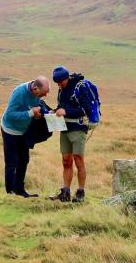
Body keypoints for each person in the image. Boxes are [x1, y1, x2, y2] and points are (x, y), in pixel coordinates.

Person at [0, 76, 50, 197]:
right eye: (42, 94)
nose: (43, 96)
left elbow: (38, 106)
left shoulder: (36, 93)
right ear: (34, 88)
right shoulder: (19, 92)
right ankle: (10, 193)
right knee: (11, 162)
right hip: (10, 131)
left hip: (23, 132)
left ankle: (20, 191)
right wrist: (30, 113)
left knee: (23, 160)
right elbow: (10, 114)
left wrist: (38, 115)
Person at [49, 66, 89, 203]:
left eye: (61, 82)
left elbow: (85, 109)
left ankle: (81, 192)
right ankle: (65, 192)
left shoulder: (79, 88)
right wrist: (55, 111)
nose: (59, 85)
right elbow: (62, 106)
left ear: (66, 78)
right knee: (66, 161)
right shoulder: (61, 90)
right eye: (57, 83)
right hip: (64, 129)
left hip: (78, 128)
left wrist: (66, 112)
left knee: (78, 160)